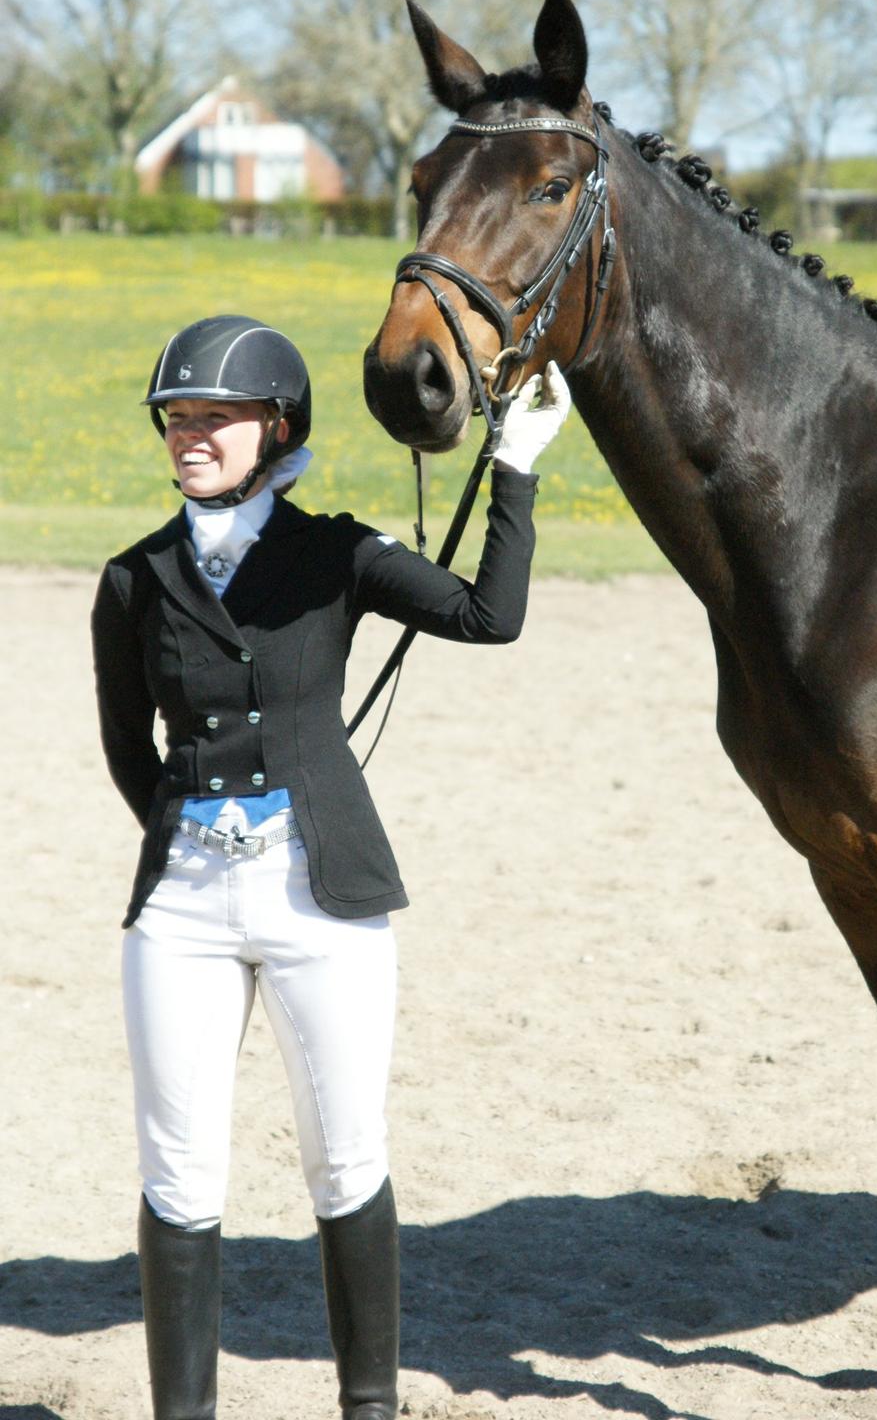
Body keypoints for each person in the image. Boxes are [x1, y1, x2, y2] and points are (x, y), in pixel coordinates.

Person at [90, 314, 569, 1420]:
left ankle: (367, 1407)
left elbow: (489, 617)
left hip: (325, 893)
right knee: (179, 1174)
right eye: (178, 417)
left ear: (276, 425)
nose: (190, 434)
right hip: (182, 905)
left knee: (345, 1158)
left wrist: (516, 471)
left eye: (214, 416)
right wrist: (189, 831)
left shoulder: (337, 553)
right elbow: (129, 750)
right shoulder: (132, 581)